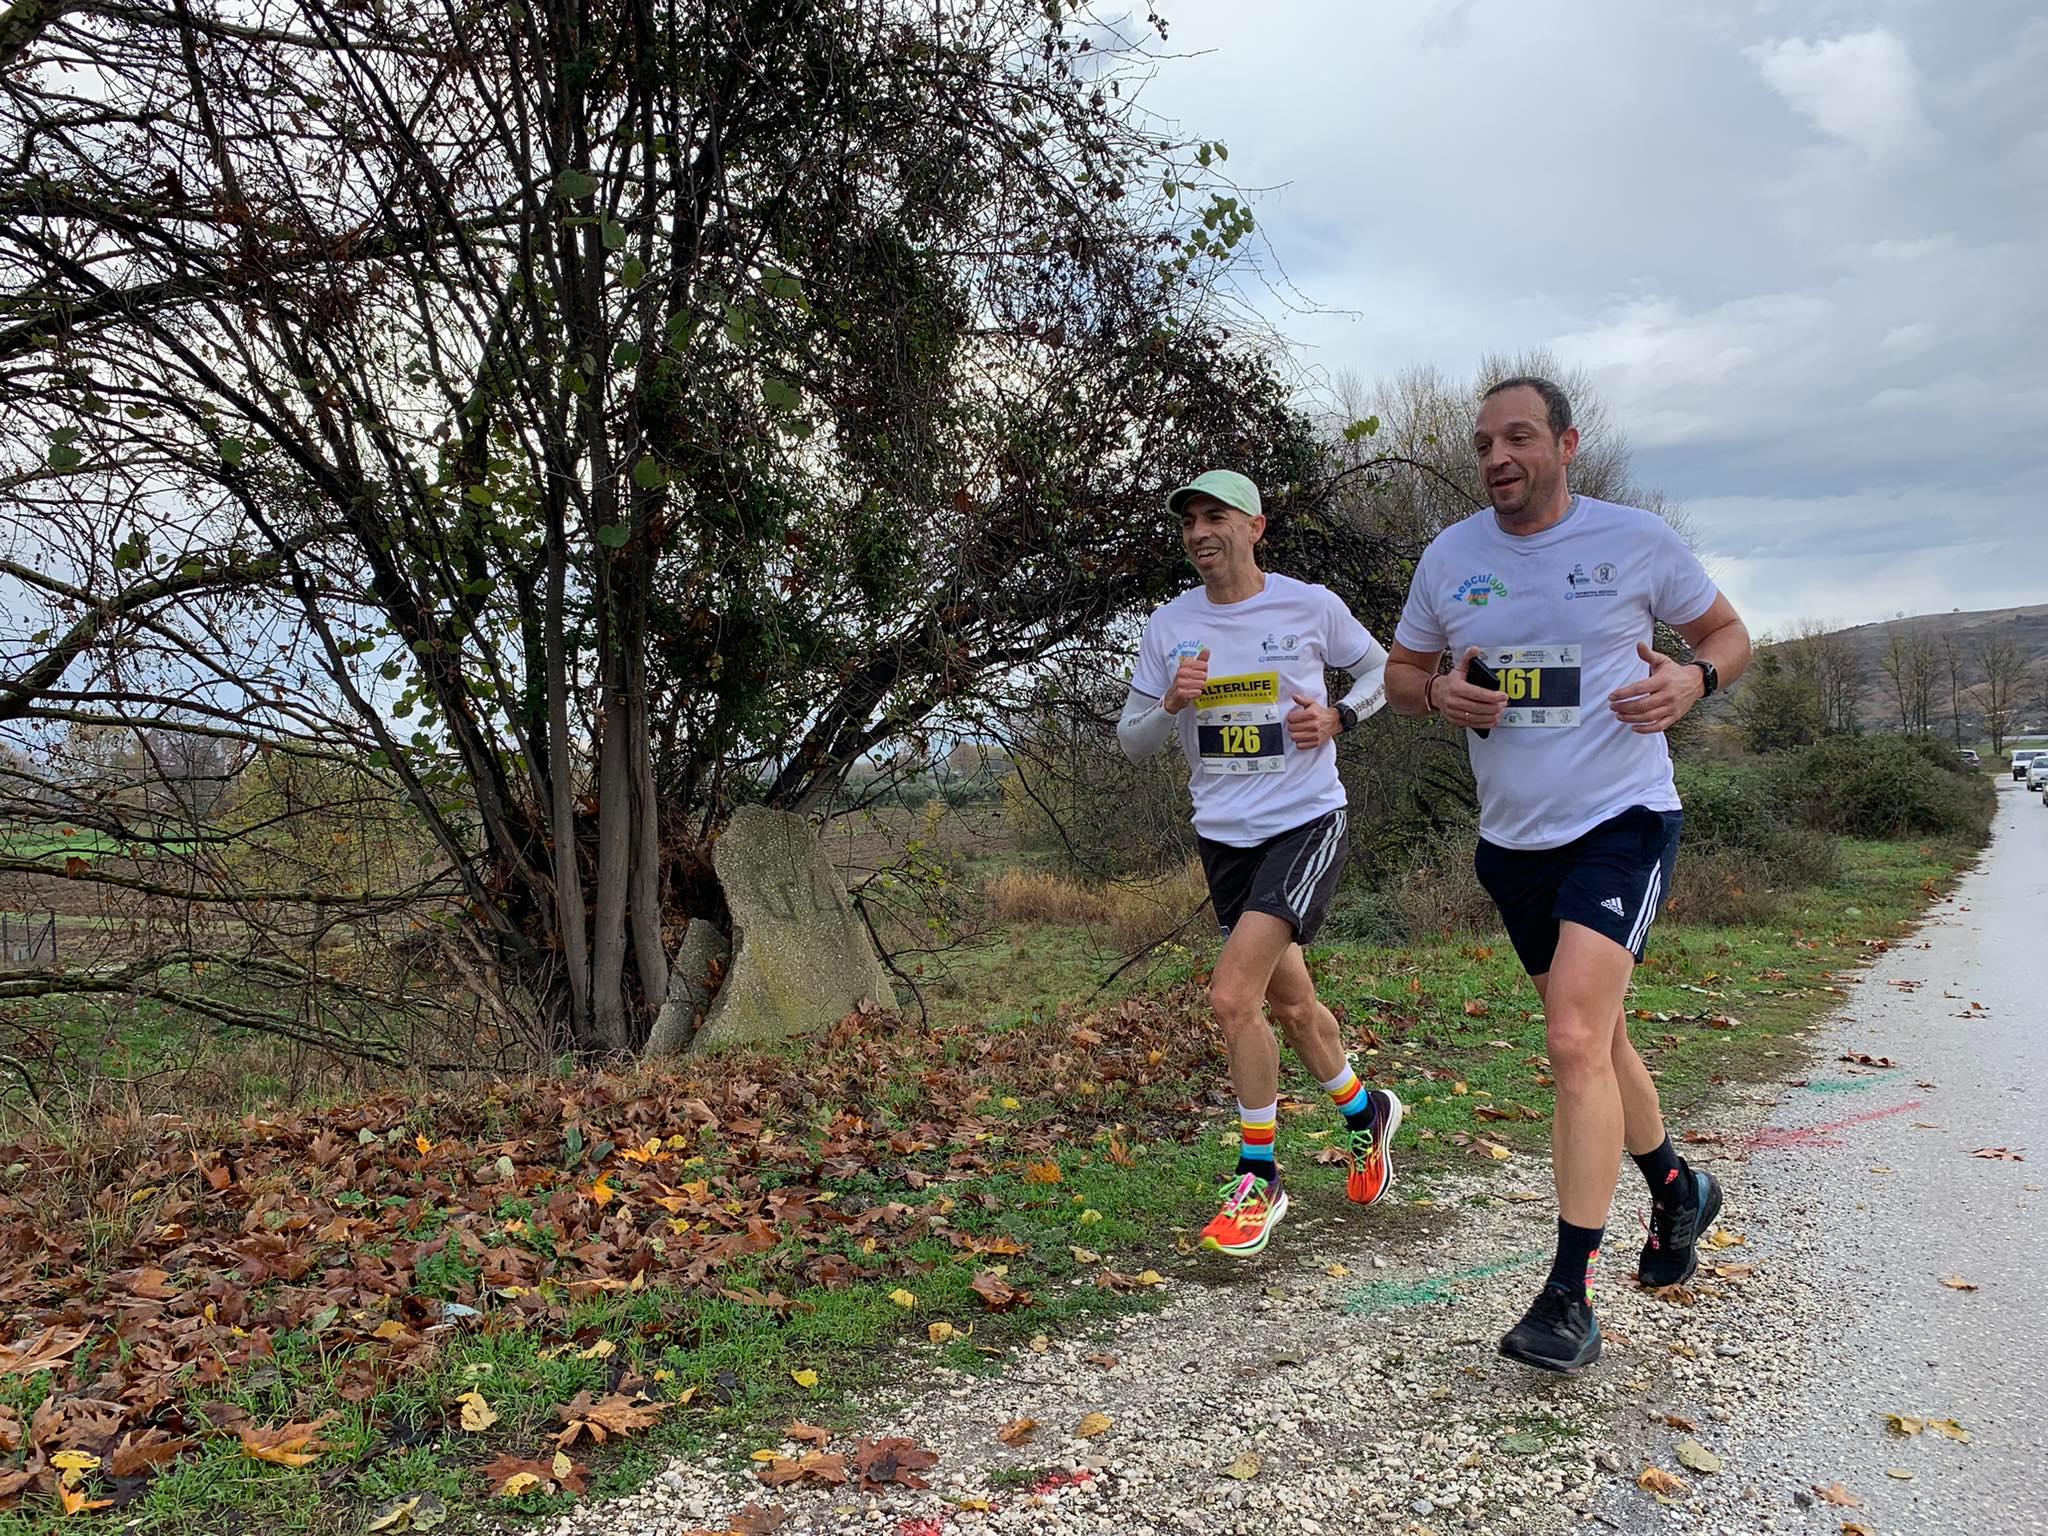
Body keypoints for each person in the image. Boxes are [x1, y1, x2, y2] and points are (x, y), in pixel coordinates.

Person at [1383, 377, 1753, 1371]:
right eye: (1482, 445)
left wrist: (1694, 679)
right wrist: (1439, 692)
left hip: (1622, 820)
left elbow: (1729, 636)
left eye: (1517, 438)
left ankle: (1567, 1299)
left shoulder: (1633, 540)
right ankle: (1677, 1189)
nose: (1497, 457)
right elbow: (1400, 677)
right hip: (1512, 841)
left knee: (1573, 1039)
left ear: (1565, 444)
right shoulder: (1450, 557)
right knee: (1602, 1037)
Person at [1118, 469, 1402, 1257]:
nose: (1199, 533)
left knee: (1231, 995)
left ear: (1255, 527)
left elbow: (1384, 671)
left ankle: (1260, 1177)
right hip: (1224, 838)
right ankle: (1367, 1113)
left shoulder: (1309, 605)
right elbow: (1131, 740)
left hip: (1305, 823)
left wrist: (1339, 716)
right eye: (1189, 522)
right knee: (1294, 1008)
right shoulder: (1170, 625)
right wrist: (1171, 704)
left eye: (1216, 517)